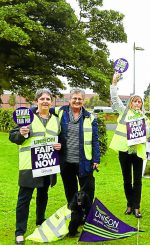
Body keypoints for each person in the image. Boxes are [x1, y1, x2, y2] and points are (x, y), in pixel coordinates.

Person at [9, 89, 61, 244]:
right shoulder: (27, 118)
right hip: (29, 166)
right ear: (36, 100)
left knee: (43, 195)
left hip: (47, 165)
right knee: (24, 199)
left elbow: (58, 139)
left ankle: (40, 221)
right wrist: (22, 133)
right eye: (42, 98)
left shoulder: (56, 120)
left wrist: (59, 146)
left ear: (51, 102)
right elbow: (13, 137)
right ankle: (19, 232)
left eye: (48, 99)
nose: (45, 101)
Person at [51, 88, 100, 215]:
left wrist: (96, 159)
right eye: (75, 98)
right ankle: (74, 214)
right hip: (66, 161)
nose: (77, 101)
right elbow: (43, 109)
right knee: (70, 190)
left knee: (87, 190)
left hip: (84, 161)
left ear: (83, 101)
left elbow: (95, 140)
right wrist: (32, 110)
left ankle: (87, 215)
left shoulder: (90, 117)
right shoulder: (61, 111)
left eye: (80, 99)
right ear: (69, 99)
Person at [109, 72, 150, 218]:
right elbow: (115, 100)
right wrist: (114, 84)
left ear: (142, 104)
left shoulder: (145, 118)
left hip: (137, 152)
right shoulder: (124, 112)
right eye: (135, 101)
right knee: (127, 179)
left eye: (139, 101)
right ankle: (129, 205)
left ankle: (137, 206)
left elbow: (147, 135)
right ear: (130, 103)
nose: (137, 104)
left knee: (137, 180)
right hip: (124, 151)